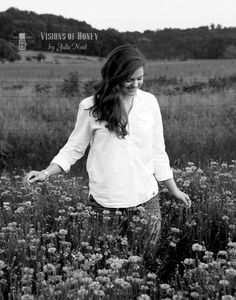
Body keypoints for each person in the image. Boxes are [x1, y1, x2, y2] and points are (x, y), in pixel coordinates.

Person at [24, 44, 191, 255]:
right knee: (106, 263)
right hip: (105, 204)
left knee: (146, 260)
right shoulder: (91, 107)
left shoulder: (149, 102)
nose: (135, 84)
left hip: (146, 199)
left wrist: (174, 190)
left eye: (140, 78)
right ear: (114, 76)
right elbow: (74, 148)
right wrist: (46, 173)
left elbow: (158, 150)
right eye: (129, 79)